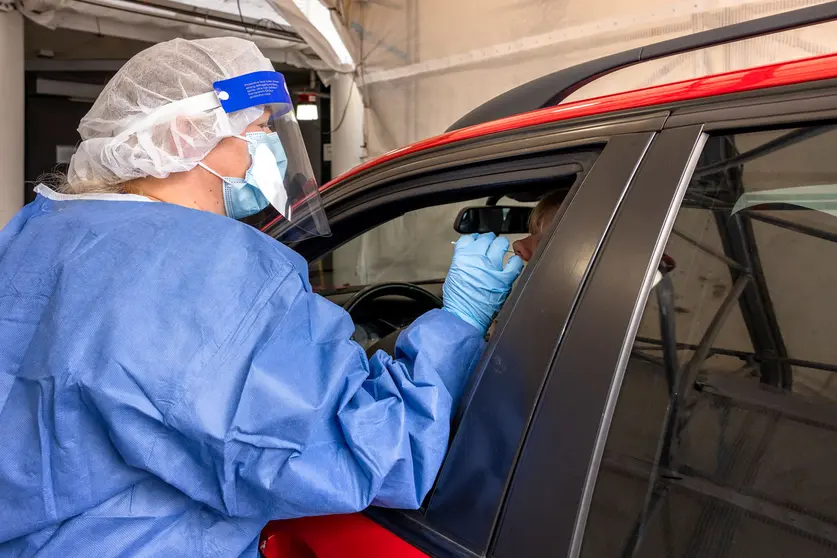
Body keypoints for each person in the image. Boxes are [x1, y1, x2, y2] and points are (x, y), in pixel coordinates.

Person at [0, 38, 523, 557]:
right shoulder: (201, 267)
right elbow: (363, 454)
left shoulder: (44, 231)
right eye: (261, 130)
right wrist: (459, 319)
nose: (272, 147)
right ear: (186, 131)